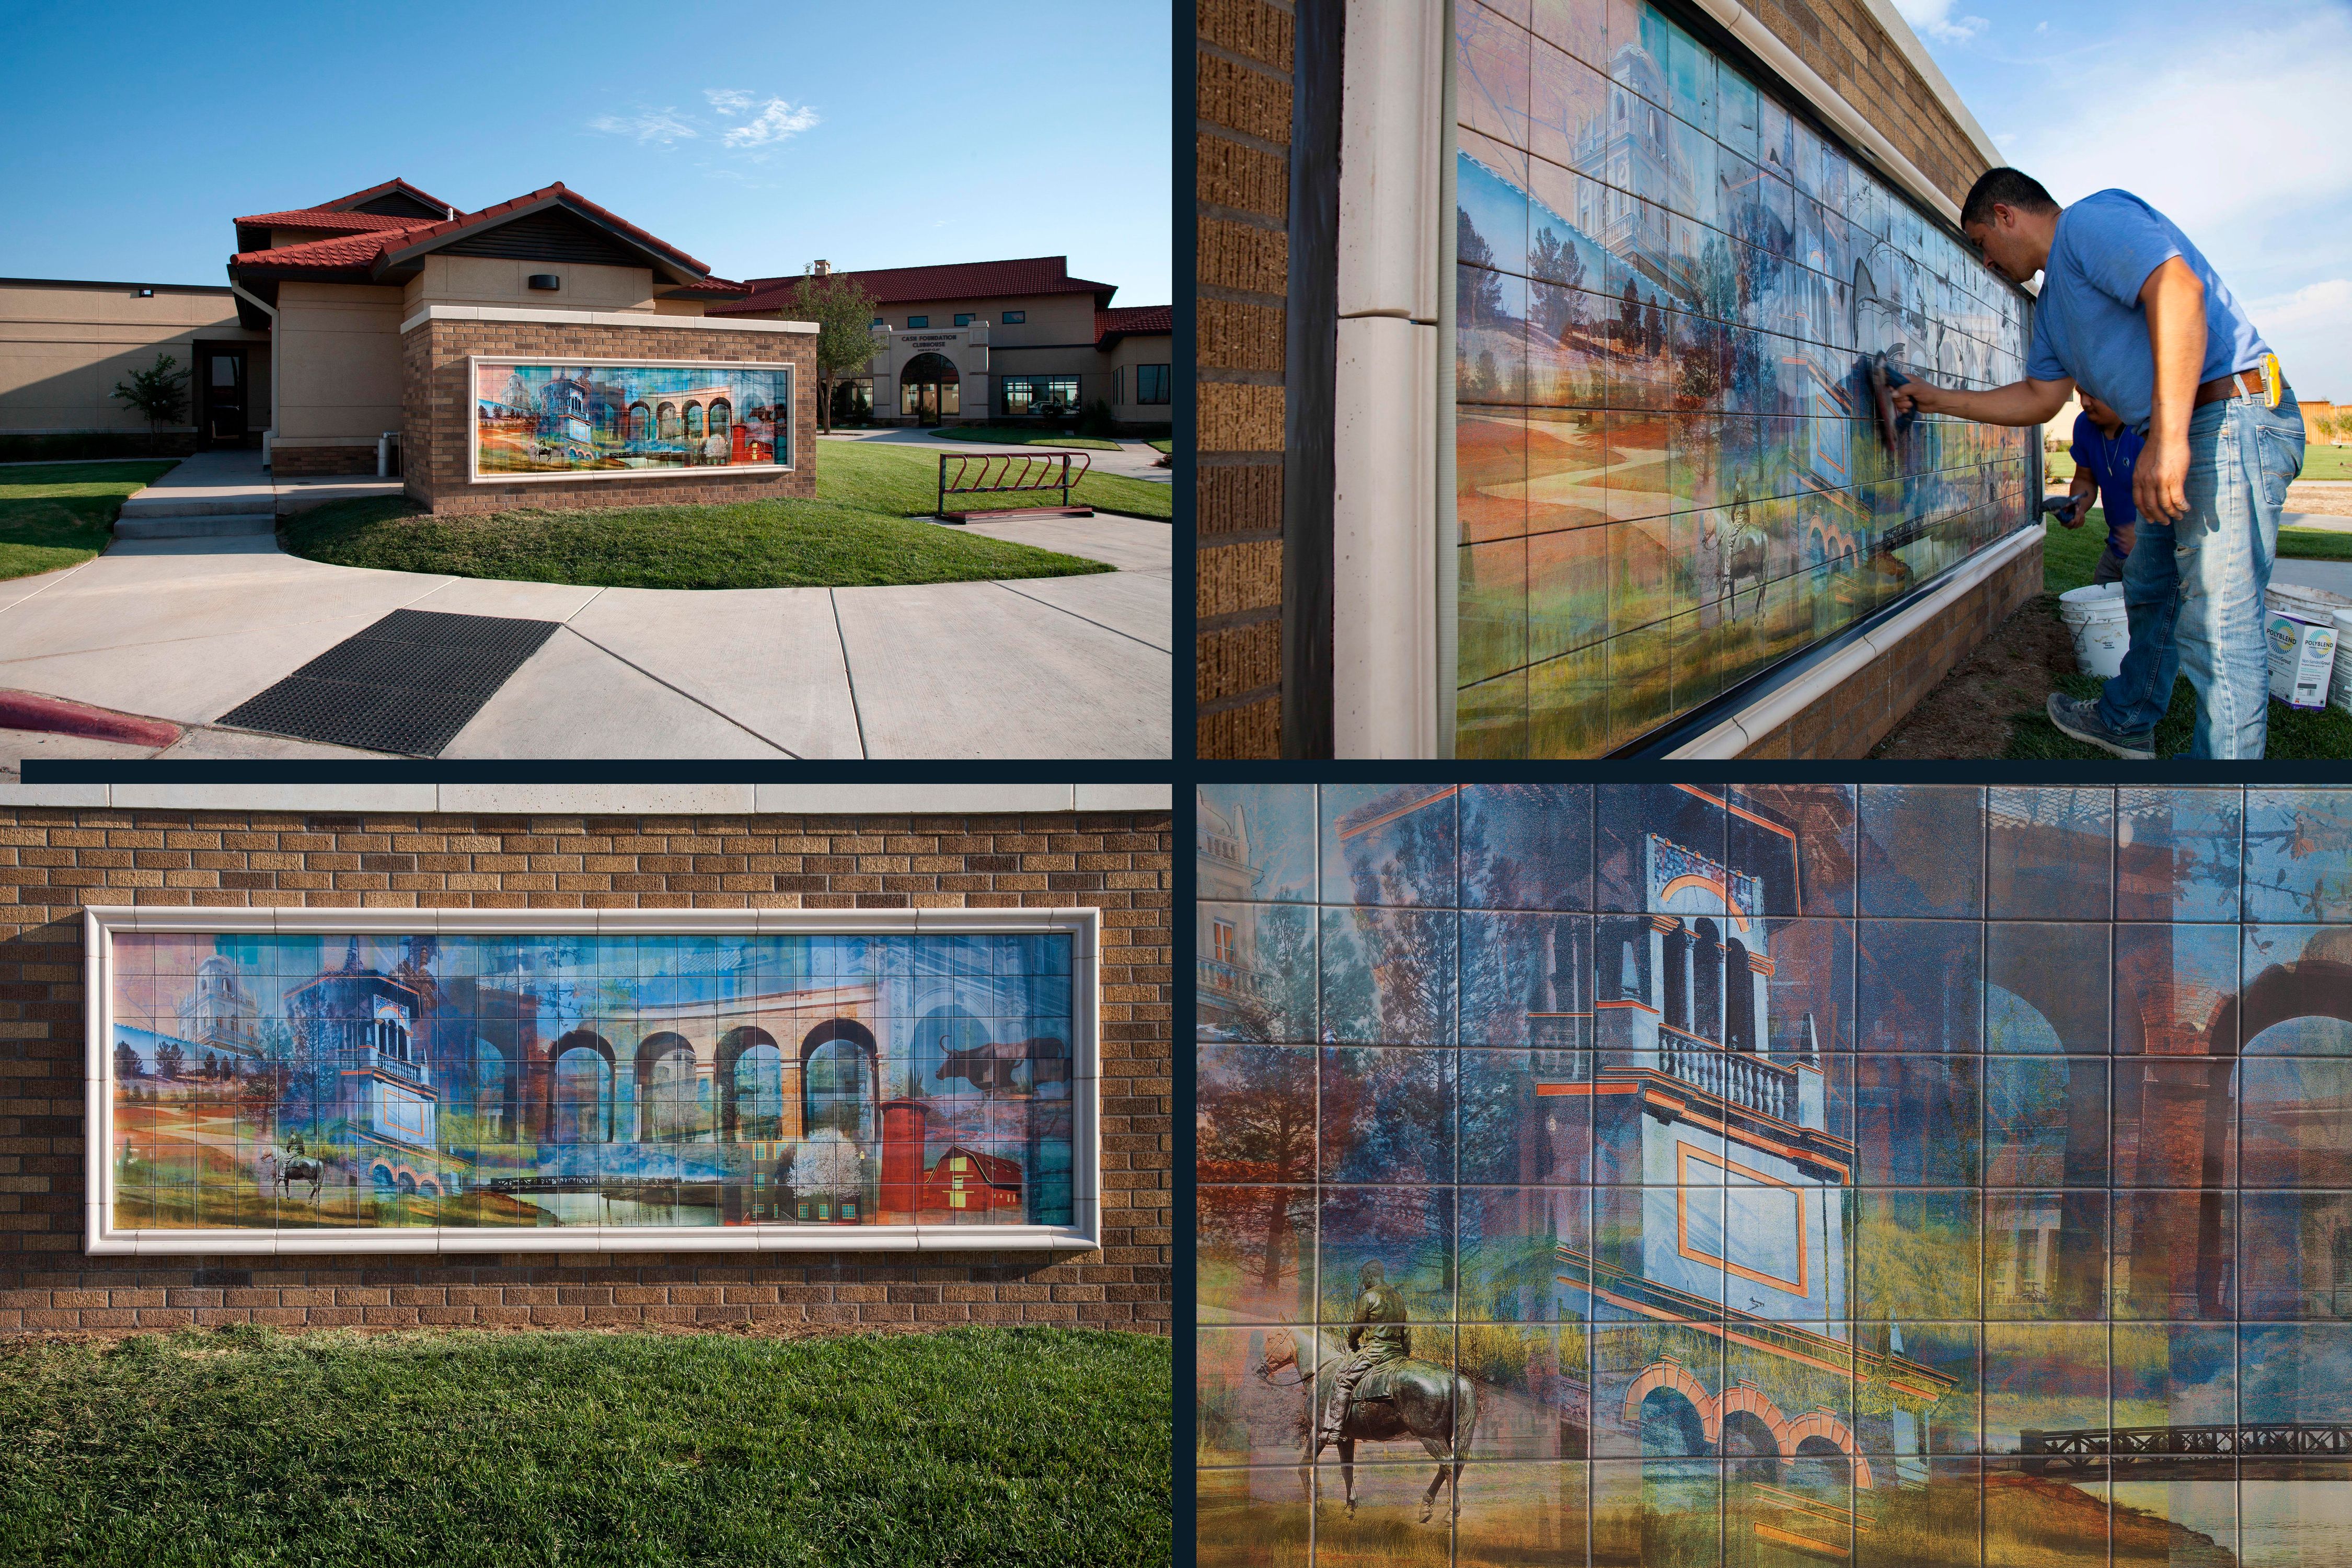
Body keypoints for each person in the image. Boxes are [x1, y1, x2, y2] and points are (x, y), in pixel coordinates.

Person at [1890, 168, 2305, 759]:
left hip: (2231, 416)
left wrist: (2164, 438)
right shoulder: (2053, 305)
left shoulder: (2089, 221)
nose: (1984, 262)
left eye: (1982, 242)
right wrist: (1937, 398)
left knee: (2219, 626)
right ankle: (2127, 720)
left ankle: (2224, 814)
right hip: (2184, 425)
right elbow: (2040, 397)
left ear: (2007, 215)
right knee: (2151, 586)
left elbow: (2177, 289)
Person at [1318, 1260, 1412, 1451]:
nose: (1363, 1282)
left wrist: (1351, 1343)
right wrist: (1405, 1354)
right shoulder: (1398, 1297)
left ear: (1370, 1276)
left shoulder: (1368, 1296)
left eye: (1363, 1278)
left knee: (1343, 1379)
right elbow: (1407, 1331)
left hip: (1375, 1352)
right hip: (1395, 1353)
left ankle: (1335, 1429)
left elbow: (1357, 1327)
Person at [2067, 390, 2143, 586]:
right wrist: (2076, 506)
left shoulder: (2144, 428)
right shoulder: (2084, 425)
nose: (2084, 402)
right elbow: (2085, 479)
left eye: (2092, 394)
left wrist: (2146, 534)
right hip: (2116, 546)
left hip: (2152, 549)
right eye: (2079, 393)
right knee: (2096, 612)